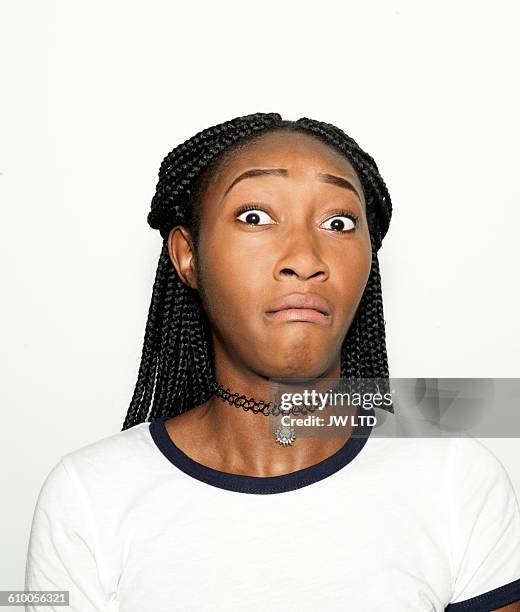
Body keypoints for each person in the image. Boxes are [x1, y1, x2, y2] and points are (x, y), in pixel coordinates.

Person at [25, 113, 520, 611]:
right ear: (187, 256)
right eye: (255, 217)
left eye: (338, 223)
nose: (304, 257)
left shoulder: (456, 477)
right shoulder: (86, 496)